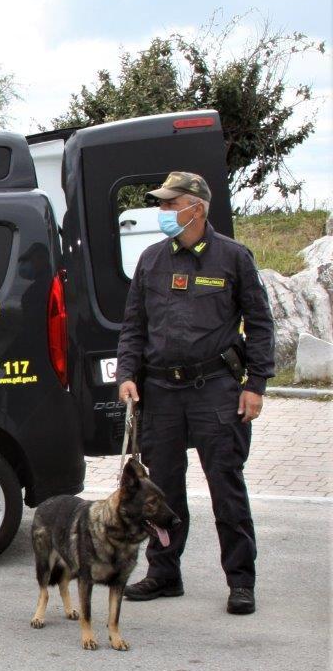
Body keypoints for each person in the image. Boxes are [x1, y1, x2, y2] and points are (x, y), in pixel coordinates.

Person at [115, 171, 274, 615]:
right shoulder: (151, 260)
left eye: (170, 204)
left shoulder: (233, 258)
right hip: (162, 391)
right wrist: (127, 373)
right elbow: (134, 327)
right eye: (163, 205)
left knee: (226, 487)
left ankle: (241, 581)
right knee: (160, 491)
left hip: (215, 390)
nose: (163, 212)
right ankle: (164, 573)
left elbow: (260, 325)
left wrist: (255, 385)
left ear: (196, 208)